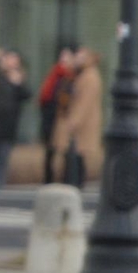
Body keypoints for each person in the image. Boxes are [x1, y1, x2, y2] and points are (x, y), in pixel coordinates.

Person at [51, 45, 105, 193]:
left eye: (81, 57)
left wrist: (74, 122)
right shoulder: (81, 74)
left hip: (82, 126)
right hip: (79, 124)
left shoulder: (90, 77)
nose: (78, 59)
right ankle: (74, 185)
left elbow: (84, 104)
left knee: (77, 157)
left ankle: (75, 186)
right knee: (74, 156)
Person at [0, 48, 27, 188]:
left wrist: (18, 84)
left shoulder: (17, 80)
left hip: (8, 127)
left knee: (2, 160)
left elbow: (26, 95)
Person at [37, 43, 77, 184]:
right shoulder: (55, 74)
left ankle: (67, 180)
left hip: (62, 118)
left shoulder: (72, 77)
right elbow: (45, 95)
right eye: (62, 55)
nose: (64, 59)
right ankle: (48, 180)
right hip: (50, 116)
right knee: (50, 151)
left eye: (67, 56)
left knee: (66, 152)